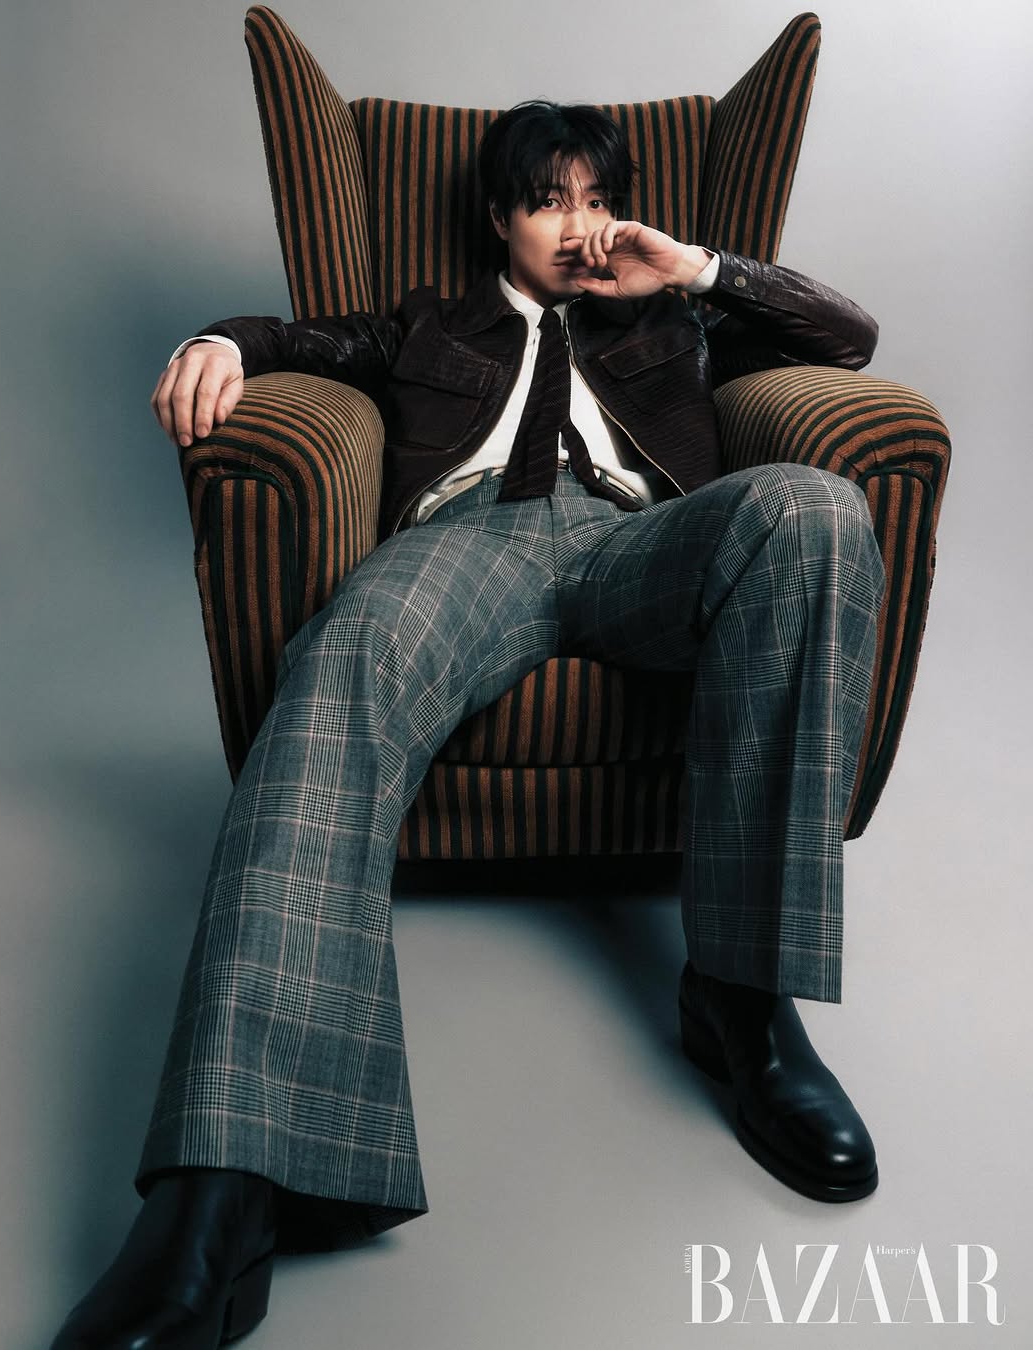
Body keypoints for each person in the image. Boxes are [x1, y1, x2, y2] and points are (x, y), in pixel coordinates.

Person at [49, 100, 887, 1349]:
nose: (581, 226)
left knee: (815, 508)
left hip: (645, 542)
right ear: (501, 216)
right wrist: (217, 340)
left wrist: (695, 269)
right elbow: (292, 337)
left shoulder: (668, 314)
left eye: (597, 200)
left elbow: (849, 338)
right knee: (343, 655)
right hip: (467, 544)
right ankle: (224, 1187)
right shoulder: (430, 324)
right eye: (551, 201)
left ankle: (743, 1002)